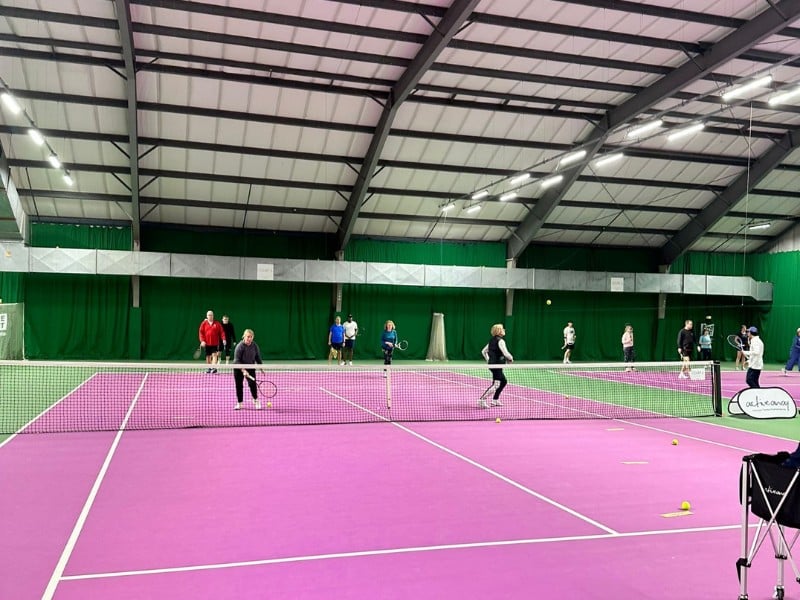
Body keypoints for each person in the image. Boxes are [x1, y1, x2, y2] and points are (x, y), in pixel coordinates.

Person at [480, 323, 514, 408]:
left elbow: (483, 351)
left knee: (503, 381)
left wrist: (489, 360)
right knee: (496, 384)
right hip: (497, 365)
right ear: (499, 331)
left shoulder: (492, 340)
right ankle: (482, 400)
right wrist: (511, 358)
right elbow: (506, 353)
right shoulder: (501, 341)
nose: (504, 330)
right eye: (502, 329)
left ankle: (495, 400)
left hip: (493, 365)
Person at [233, 328, 262, 410]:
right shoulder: (239, 346)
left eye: (251, 337)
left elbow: (257, 357)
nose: (249, 338)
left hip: (250, 367)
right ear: (244, 336)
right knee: (239, 386)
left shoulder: (254, 345)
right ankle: (240, 403)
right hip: (238, 368)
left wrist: (261, 367)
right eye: (248, 336)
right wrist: (243, 370)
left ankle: (256, 400)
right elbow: (236, 360)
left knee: (252, 384)